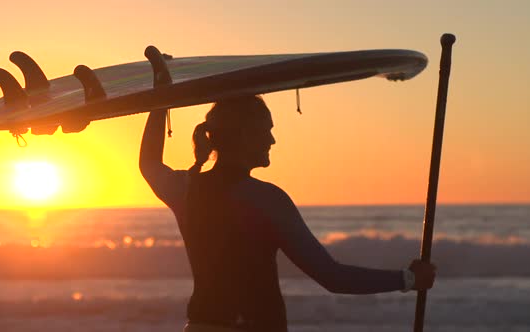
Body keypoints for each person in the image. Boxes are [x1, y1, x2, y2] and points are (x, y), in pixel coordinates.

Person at [139, 95, 436, 332]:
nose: (272, 141)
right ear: (244, 136)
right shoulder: (266, 199)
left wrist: (161, 95)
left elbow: (149, 163)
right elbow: (332, 276)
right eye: (267, 130)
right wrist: (408, 279)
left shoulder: (185, 189)